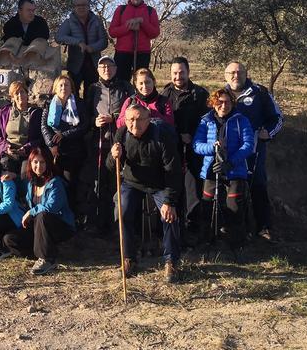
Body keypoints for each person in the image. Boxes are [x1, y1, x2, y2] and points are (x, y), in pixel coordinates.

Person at [107, 104, 184, 283]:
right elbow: (111, 167)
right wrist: (113, 156)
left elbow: (173, 171)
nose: (135, 124)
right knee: (122, 211)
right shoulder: (122, 134)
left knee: (170, 216)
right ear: (125, 121)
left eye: (140, 119)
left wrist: (170, 201)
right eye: (131, 120)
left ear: (148, 119)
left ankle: (171, 260)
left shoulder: (162, 135)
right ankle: (129, 259)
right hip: (132, 182)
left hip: (160, 183)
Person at [223, 62, 283, 241]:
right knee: (233, 189)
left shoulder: (260, 93)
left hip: (255, 151)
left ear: (246, 74)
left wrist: (268, 133)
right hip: (231, 153)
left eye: (239, 72)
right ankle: (237, 228)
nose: (235, 76)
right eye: (231, 73)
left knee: (257, 186)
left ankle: (263, 227)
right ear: (225, 75)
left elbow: (277, 118)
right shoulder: (221, 95)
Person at [193, 89, 256, 256]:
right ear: (213, 103)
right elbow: (197, 145)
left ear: (232, 103)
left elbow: (248, 145)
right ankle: (205, 240)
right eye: (219, 101)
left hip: (235, 171)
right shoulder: (205, 121)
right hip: (210, 170)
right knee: (207, 206)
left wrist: (230, 163)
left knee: (233, 207)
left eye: (227, 101)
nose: (223, 105)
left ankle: (236, 244)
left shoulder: (241, 120)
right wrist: (212, 147)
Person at [3, 147, 75, 275]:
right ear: (30, 163)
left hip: (59, 226)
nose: (38, 166)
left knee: (42, 215)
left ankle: (46, 259)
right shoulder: (31, 183)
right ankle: (42, 250)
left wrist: (31, 212)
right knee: (10, 239)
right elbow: (21, 190)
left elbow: (51, 207)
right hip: (38, 227)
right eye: (35, 162)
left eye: (42, 162)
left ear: (48, 163)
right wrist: (13, 176)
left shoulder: (55, 183)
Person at [85, 55, 135, 234]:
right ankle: (97, 222)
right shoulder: (92, 88)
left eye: (109, 66)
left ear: (115, 68)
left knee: (117, 184)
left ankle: (118, 225)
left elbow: (132, 110)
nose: (106, 69)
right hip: (98, 142)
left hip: (120, 142)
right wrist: (94, 121)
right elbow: (85, 115)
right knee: (98, 183)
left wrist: (113, 118)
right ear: (98, 70)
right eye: (102, 66)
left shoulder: (125, 87)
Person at [161, 56, 210, 233]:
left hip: (194, 150)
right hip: (172, 150)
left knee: (192, 192)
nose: (178, 76)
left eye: (182, 72)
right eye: (174, 73)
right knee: (174, 189)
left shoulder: (200, 94)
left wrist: (193, 136)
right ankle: (174, 228)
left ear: (188, 72)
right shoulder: (164, 94)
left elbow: (207, 122)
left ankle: (192, 230)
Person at [41, 74, 89, 215]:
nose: (63, 88)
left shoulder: (78, 104)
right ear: (55, 87)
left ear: (72, 88)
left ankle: (70, 214)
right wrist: (51, 144)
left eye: (66, 85)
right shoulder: (49, 103)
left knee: (69, 183)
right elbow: (44, 126)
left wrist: (64, 135)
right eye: (61, 85)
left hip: (73, 150)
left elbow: (84, 125)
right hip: (54, 151)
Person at [55, 0, 108, 97]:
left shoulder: (97, 21)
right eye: (78, 5)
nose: (81, 7)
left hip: (93, 65)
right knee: (73, 94)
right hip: (75, 65)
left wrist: (92, 47)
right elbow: (59, 37)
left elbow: (104, 41)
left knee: (92, 94)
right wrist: (78, 42)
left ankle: (91, 113)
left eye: (84, 5)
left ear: (89, 7)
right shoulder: (69, 22)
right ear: (74, 7)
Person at [108, 0, 160, 82]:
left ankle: (139, 97)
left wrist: (142, 22)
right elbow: (112, 32)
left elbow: (155, 33)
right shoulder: (120, 9)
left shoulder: (150, 11)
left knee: (141, 80)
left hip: (142, 53)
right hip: (122, 52)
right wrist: (128, 26)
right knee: (120, 81)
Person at [0, 81, 44, 177]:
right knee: (6, 177)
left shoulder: (36, 113)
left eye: (22, 92)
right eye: (16, 93)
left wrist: (27, 148)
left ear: (27, 93)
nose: (20, 95)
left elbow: (41, 138)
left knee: (25, 176)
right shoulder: (4, 112)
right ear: (12, 97)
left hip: (28, 154)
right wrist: (6, 147)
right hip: (8, 154)